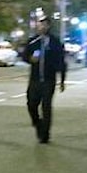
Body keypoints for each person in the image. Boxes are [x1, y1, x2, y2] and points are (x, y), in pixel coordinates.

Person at [20, 11, 67, 144]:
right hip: (34, 80)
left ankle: (45, 135)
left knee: (46, 106)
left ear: (49, 26)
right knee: (31, 104)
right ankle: (38, 124)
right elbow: (24, 56)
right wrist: (30, 59)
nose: (42, 28)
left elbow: (62, 62)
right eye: (40, 25)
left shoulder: (55, 42)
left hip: (48, 80)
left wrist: (62, 80)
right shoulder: (33, 41)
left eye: (45, 25)